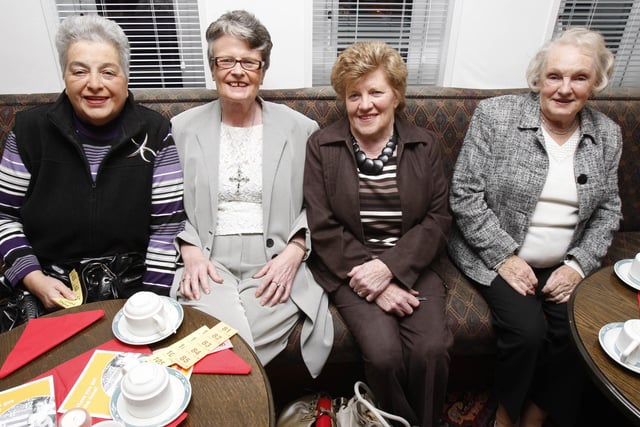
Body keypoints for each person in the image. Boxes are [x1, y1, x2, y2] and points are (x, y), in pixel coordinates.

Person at [449, 28, 621, 427]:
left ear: (594, 84)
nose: (564, 88)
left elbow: (609, 211)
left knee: (577, 332)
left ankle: (537, 413)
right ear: (538, 79)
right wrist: (504, 257)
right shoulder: (497, 116)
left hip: (565, 260)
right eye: (554, 76)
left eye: (579, 77)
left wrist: (578, 266)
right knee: (527, 333)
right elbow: (464, 194)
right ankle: (506, 413)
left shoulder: (608, 135)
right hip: (494, 255)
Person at [170, 10, 333, 377]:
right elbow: (164, 204)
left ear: (263, 68)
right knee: (227, 347)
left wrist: (296, 250)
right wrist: (189, 247)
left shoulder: (300, 129)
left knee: (211, 349)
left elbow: (320, 204)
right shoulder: (181, 129)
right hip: (209, 262)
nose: (237, 71)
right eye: (226, 60)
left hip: (275, 261)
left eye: (249, 61)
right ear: (212, 68)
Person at [304, 40, 453, 427]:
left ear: (397, 96)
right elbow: (322, 225)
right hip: (348, 268)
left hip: (415, 263)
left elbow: (438, 219)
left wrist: (389, 269)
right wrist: (375, 281)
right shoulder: (322, 146)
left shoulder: (425, 144)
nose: (364, 104)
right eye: (354, 95)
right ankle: (396, 422)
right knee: (384, 354)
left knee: (431, 349)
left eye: (375, 92)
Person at [0, 14, 184, 315]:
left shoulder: (156, 132)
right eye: (80, 71)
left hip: (134, 282)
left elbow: (167, 227)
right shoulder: (29, 131)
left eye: (108, 72)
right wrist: (33, 278)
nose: (94, 84)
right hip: (48, 280)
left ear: (126, 76)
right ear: (65, 76)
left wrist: (152, 302)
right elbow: (4, 215)